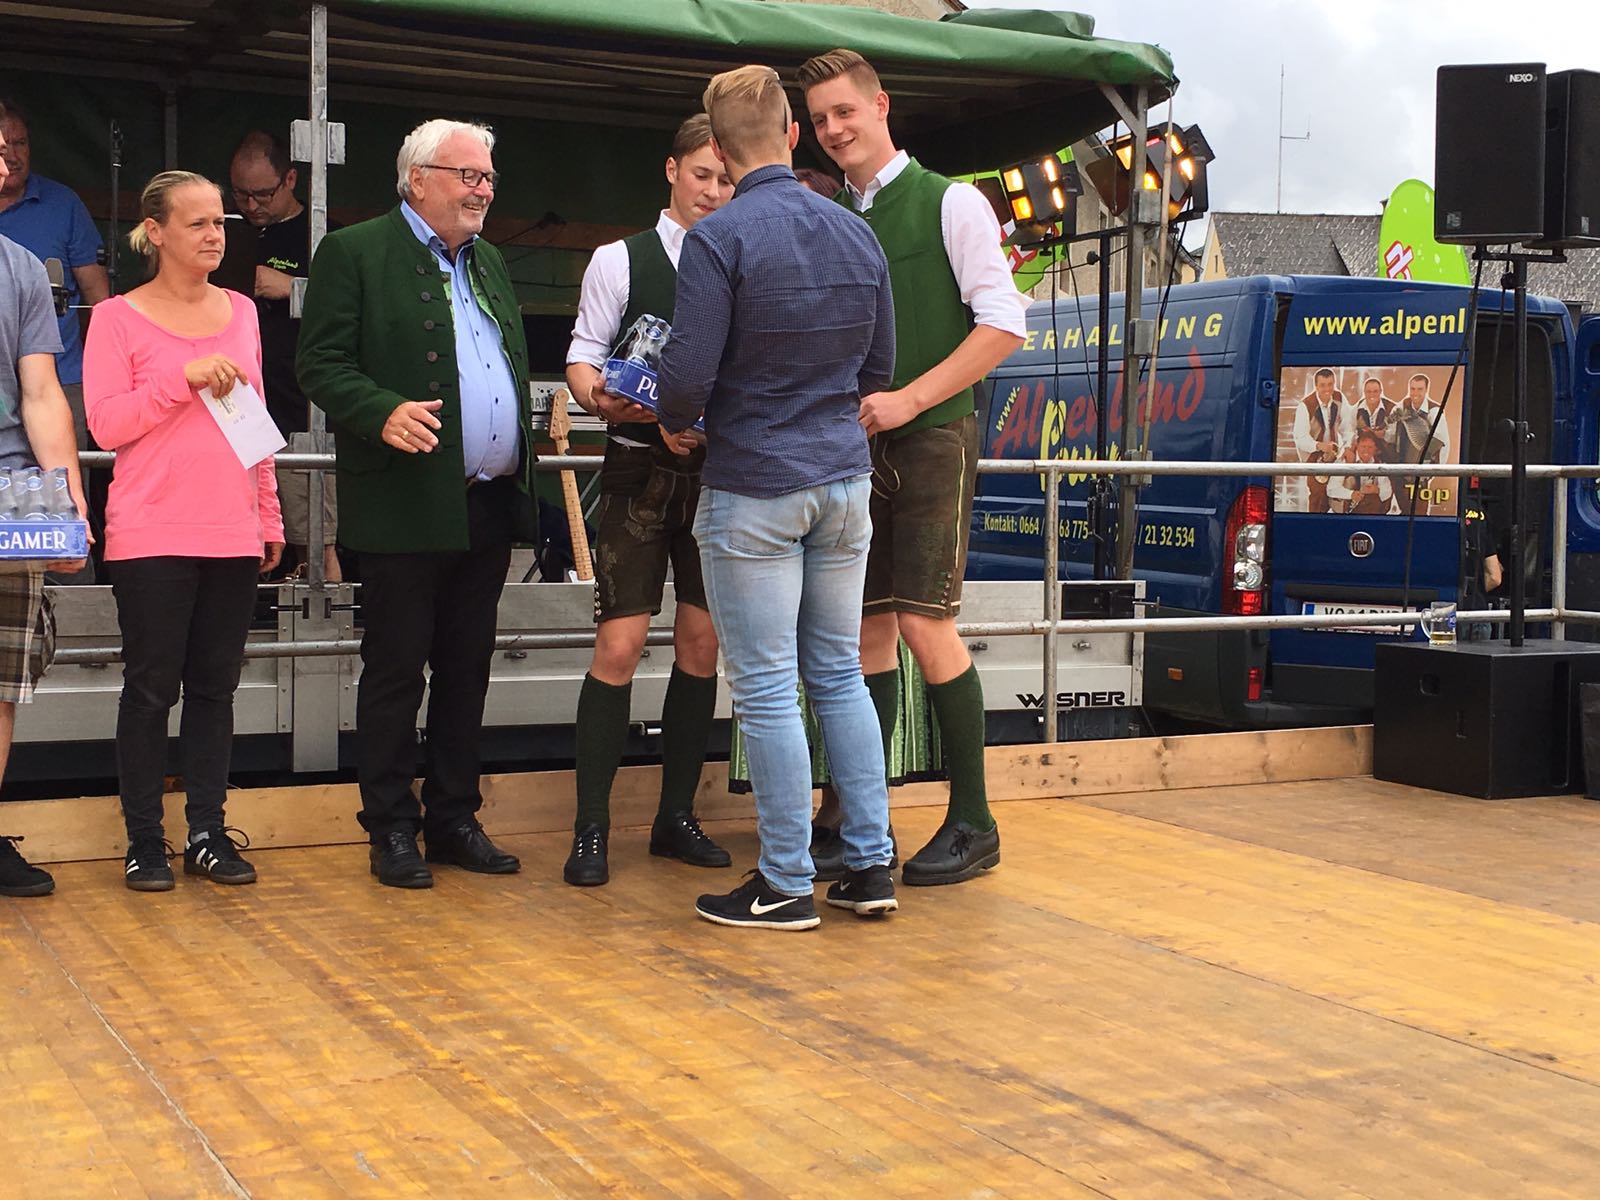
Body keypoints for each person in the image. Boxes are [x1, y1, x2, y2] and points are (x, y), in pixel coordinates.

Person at [657, 64, 897, 930]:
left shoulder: (718, 239)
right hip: (843, 478)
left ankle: (787, 881)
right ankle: (870, 863)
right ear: (793, 133)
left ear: (720, 151)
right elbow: (879, 368)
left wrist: (675, 414)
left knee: (764, 687)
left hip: (754, 481)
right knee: (838, 674)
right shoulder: (856, 232)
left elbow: (686, 379)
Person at [799, 49, 1028, 885]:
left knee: (926, 624)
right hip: (855, 446)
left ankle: (975, 820)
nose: (833, 130)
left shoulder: (950, 201)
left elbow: (1004, 326)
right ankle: (857, 818)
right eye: (819, 119)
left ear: (881, 106)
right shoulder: (835, 214)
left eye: (844, 112)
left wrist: (909, 399)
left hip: (931, 436)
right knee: (861, 632)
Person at [297, 119, 536, 889]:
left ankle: (454, 817)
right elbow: (319, 363)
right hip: (403, 502)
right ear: (418, 178)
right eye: (468, 175)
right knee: (397, 670)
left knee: (467, 669)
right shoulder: (356, 251)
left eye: (488, 177)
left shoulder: (488, 258)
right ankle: (392, 826)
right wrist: (381, 411)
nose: (482, 190)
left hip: (487, 502)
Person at [83, 170, 285, 891]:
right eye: (197, 223)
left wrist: (268, 513)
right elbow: (105, 424)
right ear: (155, 231)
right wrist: (182, 379)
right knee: (149, 689)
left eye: (220, 223)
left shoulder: (242, 311)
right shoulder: (116, 317)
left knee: (215, 690)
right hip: (151, 530)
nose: (213, 235)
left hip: (231, 529)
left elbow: (255, 419)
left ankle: (207, 831)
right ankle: (145, 840)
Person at [560, 114, 733, 886]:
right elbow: (582, 358)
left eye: (726, 179)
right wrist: (603, 397)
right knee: (619, 645)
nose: (714, 191)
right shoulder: (618, 257)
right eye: (702, 175)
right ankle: (590, 828)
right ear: (671, 170)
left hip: (719, 474)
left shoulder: (741, 257)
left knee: (701, 646)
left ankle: (675, 818)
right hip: (636, 467)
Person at [0, 121, 91, 899]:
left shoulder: (21, 266)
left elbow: (41, 394)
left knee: (0, 686)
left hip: (9, 496)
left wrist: (67, 506)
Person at [0, 99, 110, 583]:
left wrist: (68, 502)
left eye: (17, 145)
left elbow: (99, 300)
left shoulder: (25, 262)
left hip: (57, 386)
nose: (8, 162)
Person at [229, 130, 341, 582]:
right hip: (239, 400)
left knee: (312, 534)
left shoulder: (324, 236)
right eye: (241, 194)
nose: (251, 205)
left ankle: (327, 608)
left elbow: (360, 307)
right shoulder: (226, 233)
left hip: (301, 405)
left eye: (263, 193)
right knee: (246, 529)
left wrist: (294, 289)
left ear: (291, 179)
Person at [1292, 367, 1344, 513]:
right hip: (1314, 457)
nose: (1327, 389)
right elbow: (1300, 438)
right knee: (1318, 498)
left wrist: (1345, 447)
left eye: (1330, 384)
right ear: (1316, 386)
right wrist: (1320, 446)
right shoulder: (1305, 405)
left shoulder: (1339, 398)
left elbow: (1347, 425)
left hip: (1334, 455)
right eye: (1322, 385)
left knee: (1335, 496)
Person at [1326, 428, 1396, 515]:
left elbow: (1388, 492)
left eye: (1370, 447)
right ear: (1357, 446)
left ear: (1375, 449)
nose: (1366, 450)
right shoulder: (1345, 461)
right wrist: (1351, 494)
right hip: (1345, 510)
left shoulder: (1379, 463)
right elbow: (1331, 489)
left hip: (1370, 509)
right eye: (1363, 446)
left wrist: (1377, 490)